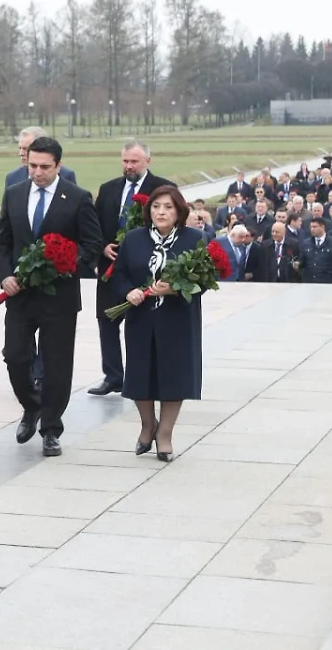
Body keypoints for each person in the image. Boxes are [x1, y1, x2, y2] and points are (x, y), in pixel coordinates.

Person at [0, 136, 102, 457]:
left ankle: (51, 429)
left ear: (58, 166)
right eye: (32, 166)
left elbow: (92, 245)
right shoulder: (14, 194)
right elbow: (3, 243)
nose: (37, 173)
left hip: (60, 297)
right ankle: (32, 405)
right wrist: (6, 276)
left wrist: (66, 262)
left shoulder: (78, 197)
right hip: (21, 296)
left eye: (44, 167)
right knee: (15, 356)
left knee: (56, 366)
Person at [110, 185, 206, 462]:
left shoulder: (193, 239)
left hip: (178, 320)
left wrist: (175, 288)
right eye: (156, 207)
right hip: (141, 318)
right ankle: (147, 424)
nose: (161, 212)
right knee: (141, 373)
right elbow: (119, 275)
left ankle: (165, 434)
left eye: (167, 207)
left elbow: (203, 281)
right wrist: (128, 291)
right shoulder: (134, 239)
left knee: (174, 375)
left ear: (179, 211)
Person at [91, 140, 172, 397]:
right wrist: (103, 247)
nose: (129, 166)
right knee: (107, 320)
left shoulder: (163, 189)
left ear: (148, 161)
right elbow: (94, 226)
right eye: (125, 161)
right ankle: (113, 376)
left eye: (134, 161)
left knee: (142, 324)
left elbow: (172, 225)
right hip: (110, 269)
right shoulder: (108, 189)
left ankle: (143, 375)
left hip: (145, 269)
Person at [3, 126, 78, 189]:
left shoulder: (66, 175)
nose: (21, 153)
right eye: (20, 148)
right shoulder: (12, 178)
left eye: (26, 149)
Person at [298, 218, 332, 284]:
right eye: (311, 227)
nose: (312, 229)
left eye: (315, 227)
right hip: (309, 281)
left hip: (327, 282)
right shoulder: (306, 243)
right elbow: (302, 262)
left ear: (322, 227)